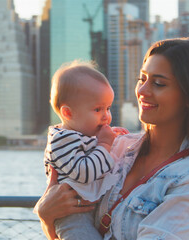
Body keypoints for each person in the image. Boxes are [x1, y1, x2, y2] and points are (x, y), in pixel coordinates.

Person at [35, 38, 189, 240]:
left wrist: (47, 213)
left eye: (158, 83)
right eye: (142, 79)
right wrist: (46, 215)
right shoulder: (118, 147)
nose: (142, 91)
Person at [39, 60, 128, 239]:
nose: (106, 116)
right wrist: (105, 144)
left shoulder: (83, 134)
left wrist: (112, 137)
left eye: (108, 108)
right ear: (68, 113)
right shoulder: (61, 140)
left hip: (91, 208)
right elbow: (85, 172)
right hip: (72, 215)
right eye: (97, 109)